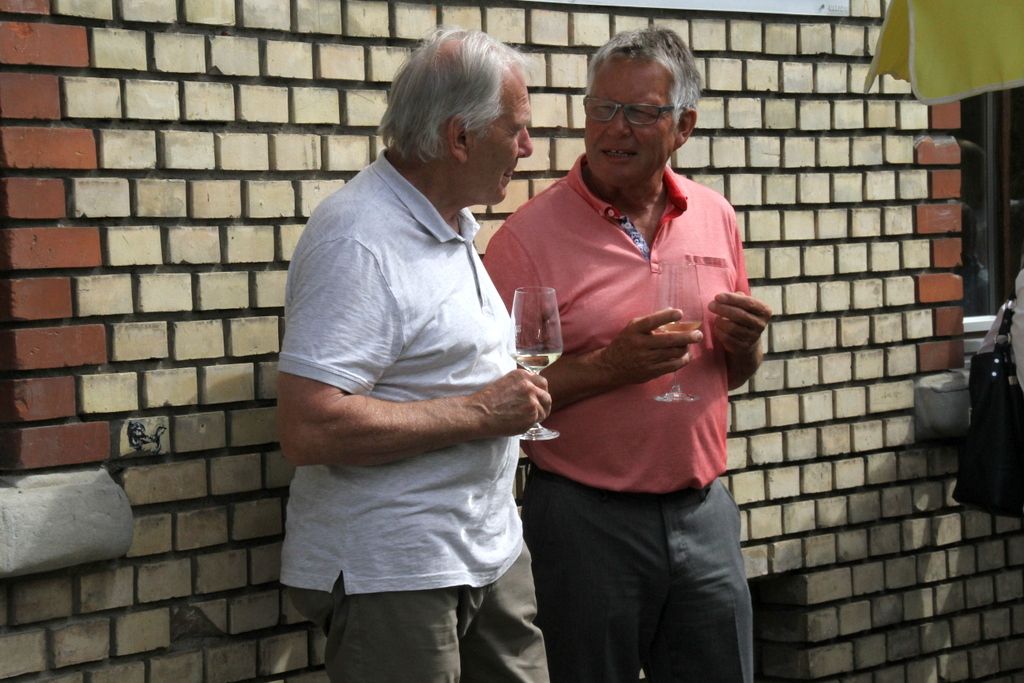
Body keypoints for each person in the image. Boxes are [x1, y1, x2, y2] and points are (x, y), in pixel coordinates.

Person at [485, 27, 771, 683]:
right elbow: (496, 397)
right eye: (602, 108)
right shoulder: (527, 238)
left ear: (683, 126)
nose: (615, 128)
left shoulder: (715, 215)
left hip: (703, 513)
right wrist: (612, 367)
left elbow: (731, 374)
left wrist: (746, 345)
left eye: (640, 112)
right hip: (585, 522)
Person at [276, 28, 550, 683]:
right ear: (460, 138)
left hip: (487, 551)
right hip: (396, 573)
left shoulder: (448, 223)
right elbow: (308, 426)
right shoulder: (358, 240)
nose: (528, 147)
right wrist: (482, 412)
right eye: (516, 129)